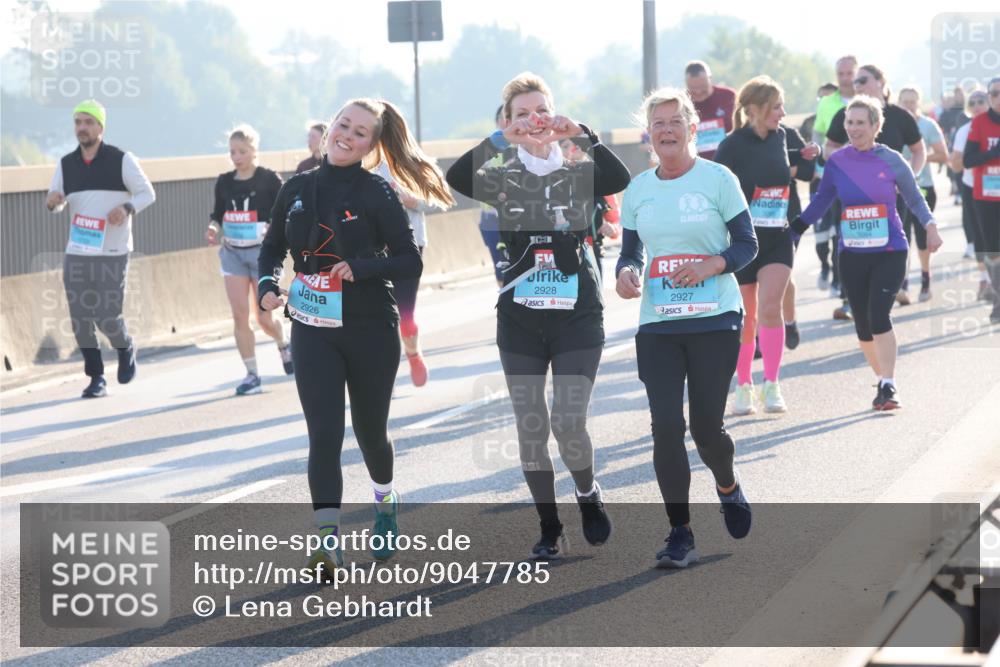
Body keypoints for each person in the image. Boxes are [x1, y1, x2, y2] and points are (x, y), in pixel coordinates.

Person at [258, 98, 454, 574]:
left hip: (369, 325)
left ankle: (385, 500)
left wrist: (360, 268)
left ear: (372, 144)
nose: (347, 135)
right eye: (343, 125)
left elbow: (410, 260)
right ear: (330, 130)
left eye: (361, 132)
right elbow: (270, 250)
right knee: (324, 433)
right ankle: (327, 541)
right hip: (312, 325)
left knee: (370, 434)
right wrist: (267, 286)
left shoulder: (377, 192)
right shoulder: (297, 187)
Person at [446, 72, 630, 560]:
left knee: (569, 423)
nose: (533, 120)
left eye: (540, 110)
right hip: (521, 317)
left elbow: (620, 179)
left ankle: (588, 494)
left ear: (554, 114)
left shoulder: (576, 167)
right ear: (508, 122)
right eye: (521, 114)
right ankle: (550, 528)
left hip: (577, 314)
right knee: (532, 428)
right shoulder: (502, 173)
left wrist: (582, 133)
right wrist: (498, 141)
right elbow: (456, 178)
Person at [616, 87, 757, 568]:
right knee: (665, 428)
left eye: (676, 121)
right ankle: (680, 532)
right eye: (658, 124)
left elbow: (746, 244)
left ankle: (727, 484)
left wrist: (711, 265)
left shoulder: (719, 180)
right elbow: (631, 250)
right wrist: (626, 273)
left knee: (705, 428)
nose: (667, 130)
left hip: (715, 317)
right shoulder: (638, 189)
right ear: (649, 134)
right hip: (658, 322)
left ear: (692, 128)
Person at [792, 96, 943, 410]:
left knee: (878, 316)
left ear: (876, 126)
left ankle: (888, 384)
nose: (854, 128)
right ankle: (882, 380)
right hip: (852, 254)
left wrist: (930, 226)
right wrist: (795, 229)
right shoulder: (838, 162)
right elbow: (821, 201)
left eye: (861, 123)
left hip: (890, 250)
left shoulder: (891, 160)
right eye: (850, 122)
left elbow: (914, 199)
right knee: (862, 323)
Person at [715, 76, 819, 414]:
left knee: (770, 307)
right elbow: (718, 192)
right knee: (747, 317)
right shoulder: (731, 146)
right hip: (743, 241)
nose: (782, 112)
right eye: (776, 107)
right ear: (755, 110)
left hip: (777, 237)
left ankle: (771, 384)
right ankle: (744, 385)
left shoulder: (784, 136)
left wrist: (807, 155)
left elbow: (805, 171)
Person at [45, 99, 156, 398]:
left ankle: (124, 346)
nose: (81, 128)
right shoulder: (66, 163)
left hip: (113, 251)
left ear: (100, 127)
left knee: (107, 315)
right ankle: (96, 377)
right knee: (80, 318)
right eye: (78, 122)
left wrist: (127, 207)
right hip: (78, 251)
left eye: (88, 122)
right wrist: (53, 202)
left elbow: (148, 193)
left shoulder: (121, 159)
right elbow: (56, 200)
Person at [824, 63, 926, 321]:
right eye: (855, 81)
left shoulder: (900, 116)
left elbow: (918, 149)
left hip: (890, 194)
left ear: (881, 81)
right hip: (852, 196)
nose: (857, 84)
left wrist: (909, 177)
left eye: (863, 80)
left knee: (893, 238)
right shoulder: (845, 115)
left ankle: (891, 289)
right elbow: (829, 147)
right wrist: (842, 171)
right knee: (848, 240)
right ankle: (849, 298)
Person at [205, 125, 290, 396]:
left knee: (264, 319)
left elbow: (287, 211)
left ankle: (282, 341)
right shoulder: (224, 181)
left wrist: (272, 227)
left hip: (262, 254)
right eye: (232, 152)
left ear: (254, 151)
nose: (236, 157)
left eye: (242, 151)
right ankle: (252, 374)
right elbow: (218, 214)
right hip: (233, 253)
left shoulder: (269, 179)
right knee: (240, 315)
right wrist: (214, 228)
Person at [372, 159, 442, 386]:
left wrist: (410, 200)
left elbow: (436, 200)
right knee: (379, 313)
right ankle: (382, 372)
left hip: (410, 245)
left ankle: (413, 353)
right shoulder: (364, 164)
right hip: (375, 246)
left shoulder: (414, 162)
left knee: (406, 315)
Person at [898, 88, 949, 304]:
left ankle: (926, 278)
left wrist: (920, 156)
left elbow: (943, 155)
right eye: (905, 101)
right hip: (897, 190)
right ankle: (903, 284)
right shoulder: (891, 124)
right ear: (898, 103)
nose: (909, 105)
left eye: (912, 101)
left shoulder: (927, 125)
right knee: (902, 238)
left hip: (924, 187)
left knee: (921, 239)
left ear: (918, 102)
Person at [962, 77, 1000, 324]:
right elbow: (968, 160)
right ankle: (998, 302)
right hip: (986, 197)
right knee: (994, 252)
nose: (998, 97)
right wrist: (994, 153)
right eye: (994, 93)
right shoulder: (979, 123)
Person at [950, 91, 994, 302]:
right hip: (972, 186)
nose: (977, 106)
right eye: (972, 102)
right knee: (980, 235)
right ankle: (984, 279)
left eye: (981, 101)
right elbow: (956, 164)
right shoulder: (965, 131)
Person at [560, 136, 622, 280]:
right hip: (559, 253)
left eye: (576, 145)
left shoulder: (600, 180)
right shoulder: (550, 179)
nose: (571, 150)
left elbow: (616, 224)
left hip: (591, 253)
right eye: (565, 146)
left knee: (593, 301)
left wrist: (611, 228)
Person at [808, 82, 841, 292]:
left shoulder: (847, 122)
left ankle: (839, 280)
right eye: (821, 99)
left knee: (838, 234)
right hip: (818, 185)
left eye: (828, 98)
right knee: (820, 235)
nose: (824, 103)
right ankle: (824, 266)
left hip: (839, 186)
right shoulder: (808, 125)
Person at [478, 105, 508, 287]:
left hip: (519, 217)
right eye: (503, 118)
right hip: (491, 218)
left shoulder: (528, 146)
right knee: (500, 268)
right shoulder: (488, 147)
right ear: (497, 122)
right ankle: (505, 302)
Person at [684, 60, 737, 161]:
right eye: (692, 89)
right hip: (694, 164)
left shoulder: (729, 97)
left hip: (729, 161)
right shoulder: (681, 102)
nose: (698, 92)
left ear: (710, 79)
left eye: (702, 87)